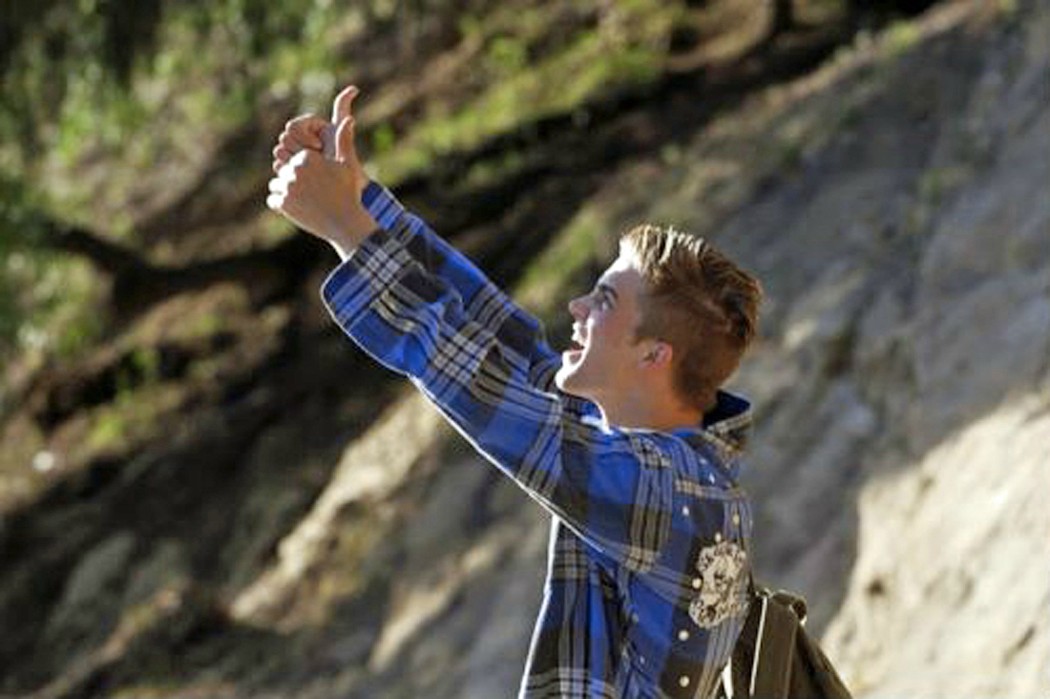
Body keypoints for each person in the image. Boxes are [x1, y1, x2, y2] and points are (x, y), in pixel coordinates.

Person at [268, 85, 764, 699]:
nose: (576, 306)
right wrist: (359, 201)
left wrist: (348, 227)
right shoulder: (670, 462)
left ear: (652, 355)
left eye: (603, 302)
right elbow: (502, 344)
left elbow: (481, 388)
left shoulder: (662, 488)